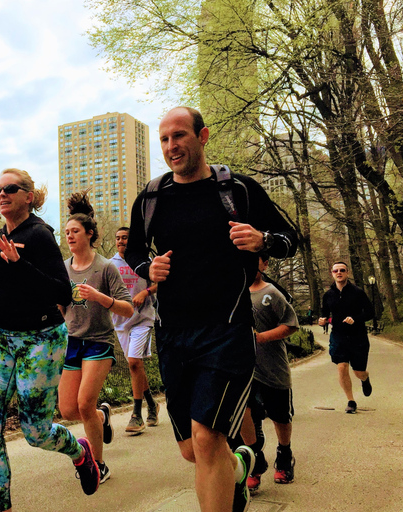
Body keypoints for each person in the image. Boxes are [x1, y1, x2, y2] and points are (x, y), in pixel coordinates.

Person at [125, 106, 298, 512]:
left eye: (180, 136)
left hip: (226, 332)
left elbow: (291, 238)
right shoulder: (151, 197)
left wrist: (263, 241)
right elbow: (134, 249)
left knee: (207, 439)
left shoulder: (238, 190)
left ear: (202, 138)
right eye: (165, 139)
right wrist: (147, 268)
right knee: (192, 451)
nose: (172, 146)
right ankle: (239, 468)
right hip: (172, 336)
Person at [0, 169, 100, 512]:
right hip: (0, 338)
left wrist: (20, 263)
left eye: (10, 188)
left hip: (41, 338)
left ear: (28, 196)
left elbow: (62, 292)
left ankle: (80, 452)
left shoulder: (40, 235)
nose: (2, 194)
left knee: (36, 431)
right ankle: (2, 505)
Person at [58, 193, 134, 485]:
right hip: (72, 342)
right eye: (66, 232)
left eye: (74, 231)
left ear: (89, 235)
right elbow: (61, 307)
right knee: (68, 409)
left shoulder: (105, 267)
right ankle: (102, 417)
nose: (69, 236)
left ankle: (99, 465)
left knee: (84, 403)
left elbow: (127, 308)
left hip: (99, 342)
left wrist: (101, 297)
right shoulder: (63, 269)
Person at [240, 254, 299, 494]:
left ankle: (284, 454)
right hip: (244, 370)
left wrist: (260, 338)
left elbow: (291, 324)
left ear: (264, 264)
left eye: (254, 261)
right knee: (245, 413)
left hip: (273, 368)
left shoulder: (272, 293)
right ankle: (255, 460)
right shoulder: (234, 293)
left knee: (280, 416)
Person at [110, 227, 160, 434]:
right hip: (121, 321)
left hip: (143, 318)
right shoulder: (110, 265)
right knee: (135, 366)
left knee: (133, 362)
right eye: (118, 238)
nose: (121, 241)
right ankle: (152, 403)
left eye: (125, 238)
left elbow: (159, 281)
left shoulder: (144, 261)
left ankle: (136, 414)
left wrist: (146, 292)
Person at [318, 262, 374, 414]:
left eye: (342, 270)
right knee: (342, 367)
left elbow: (370, 313)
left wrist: (355, 318)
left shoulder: (358, 292)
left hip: (358, 337)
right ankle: (351, 401)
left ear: (347, 273)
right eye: (335, 270)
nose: (339, 273)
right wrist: (322, 320)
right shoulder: (328, 295)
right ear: (332, 273)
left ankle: (364, 378)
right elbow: (324, 313)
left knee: (358, 371)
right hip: (338, 336)